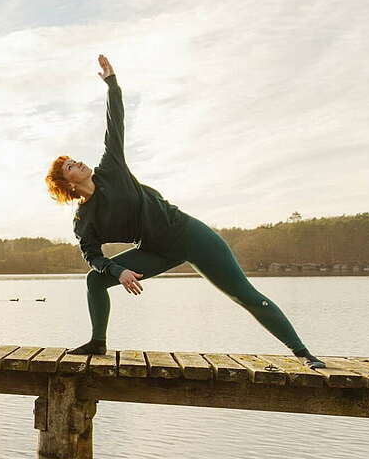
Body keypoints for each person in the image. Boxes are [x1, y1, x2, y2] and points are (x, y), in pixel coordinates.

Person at [45, 55, 326, 368]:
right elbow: (92, 256)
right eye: (70, 166)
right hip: (156, 250)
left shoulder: (111, 168)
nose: (78, 163)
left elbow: (115, 123)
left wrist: (112, 84)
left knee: (243, 294)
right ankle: (98, 343)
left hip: (188, 235)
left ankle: (303, 354)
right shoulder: (85, 219)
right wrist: (118, 271)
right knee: (94, 280)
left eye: (75, 159)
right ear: (68, 185)